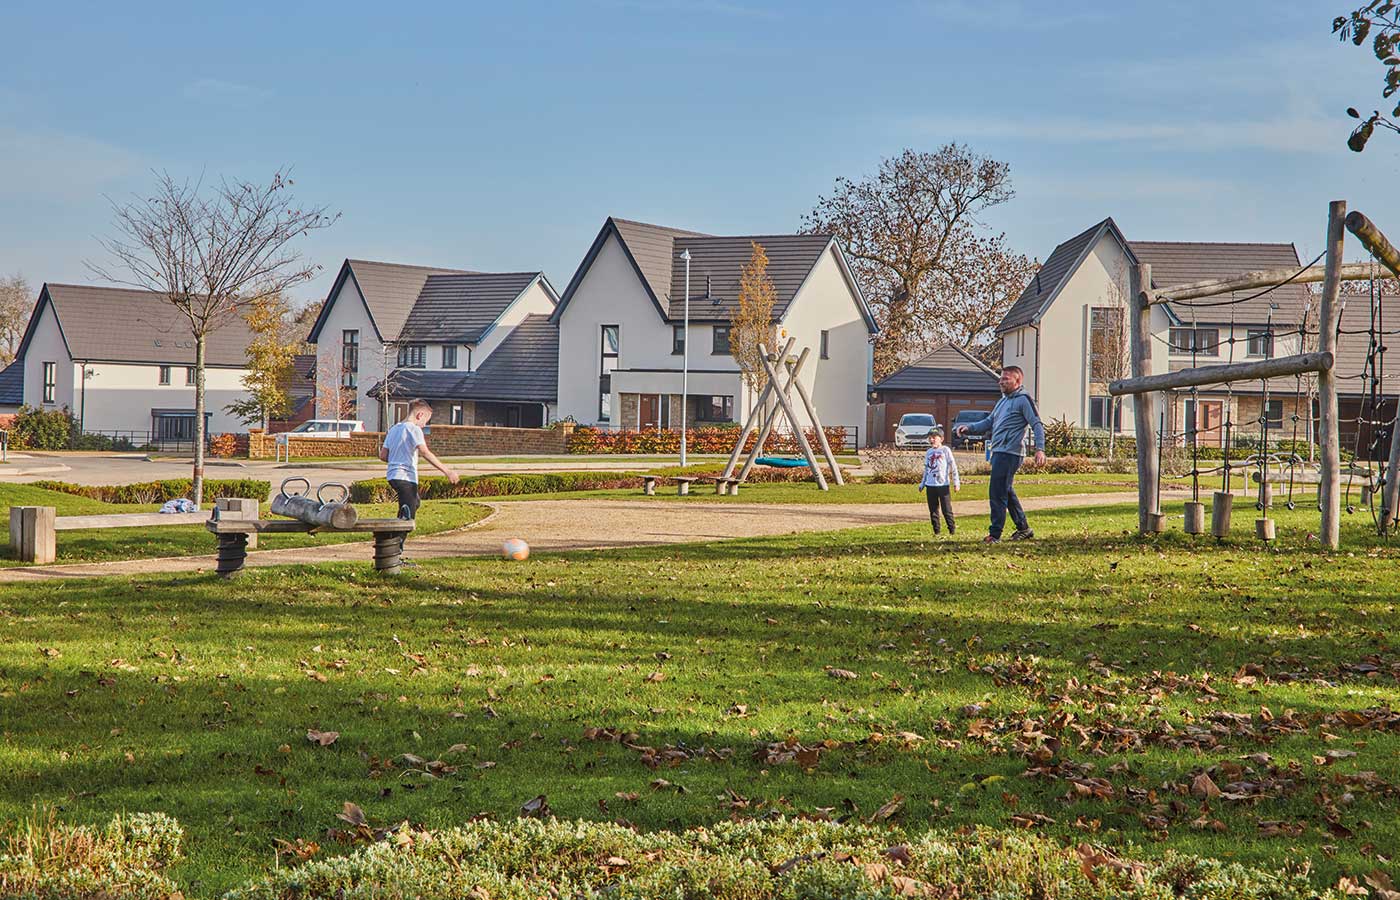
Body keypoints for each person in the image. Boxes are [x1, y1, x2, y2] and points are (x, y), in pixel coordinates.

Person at [954, 366, 1046, 543]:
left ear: (1017, 381)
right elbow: (989, 422)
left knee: (997, 493)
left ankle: (994, 535)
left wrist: (1040, 449)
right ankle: (1024, 528)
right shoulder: (1002, 401)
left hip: (1010, 453)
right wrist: (969, 428)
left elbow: (1037, 424)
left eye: (1005, 379)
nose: (1000, 382)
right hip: (998, 452)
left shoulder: (1024, 400)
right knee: (1006, 491)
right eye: (1001, 378)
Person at [379, 398, 460, 523]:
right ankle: (394, 539)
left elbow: (383, 455)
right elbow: (425, 452)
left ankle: (394, 535)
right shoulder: (414, 429)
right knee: (408, 517)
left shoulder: (394, 429)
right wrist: (447, 471)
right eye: (425, 421)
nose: (424, 425)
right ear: (419, 415)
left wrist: (397, 459)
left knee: (414, 503)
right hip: (406, 477)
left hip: (392, 476)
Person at [917, 426, 959, 536]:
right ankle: (937, 531)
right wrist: (922, 483)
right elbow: (926, 469)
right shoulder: (929, 452)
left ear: (941, 438)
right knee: (933, 510)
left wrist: (956, 482)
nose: (932, 440)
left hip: (943, 484)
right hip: (930, 485)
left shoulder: (945, 450)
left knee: (946, 509)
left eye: (934, 437)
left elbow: (953, 466)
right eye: (930, 438)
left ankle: (952, 530)